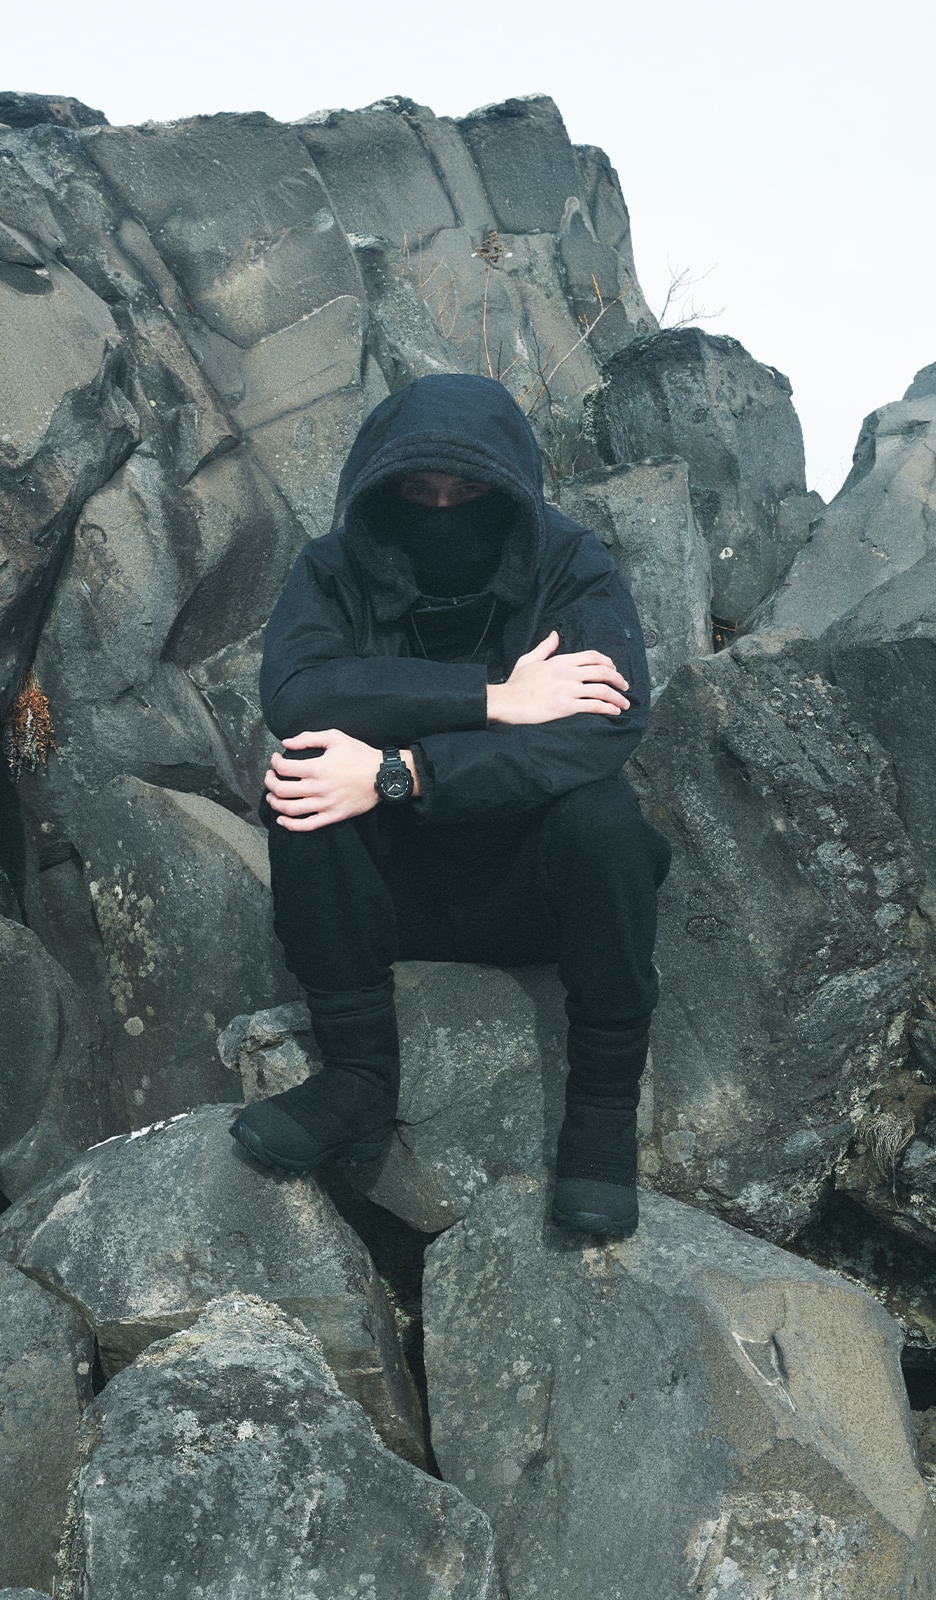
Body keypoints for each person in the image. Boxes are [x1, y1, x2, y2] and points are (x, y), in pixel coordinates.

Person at [230, 373, 670, 1235]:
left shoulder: (572, 565)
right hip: (394, 902)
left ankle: (602, 1121)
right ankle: (358, 1079)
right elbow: (300, 695)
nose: (442, 508)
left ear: (507, 492)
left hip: (528, 893)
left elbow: (604, 727)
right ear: (379, 490)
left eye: (466, 491)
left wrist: (405, 772)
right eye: (419, 491)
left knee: (606, 820)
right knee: (304, 775)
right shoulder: (332, 567)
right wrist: (493, 696)